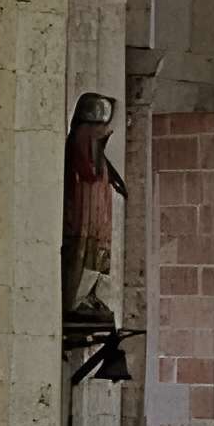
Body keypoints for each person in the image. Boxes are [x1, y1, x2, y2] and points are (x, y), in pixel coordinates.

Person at [61, 92, 126, 319]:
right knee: (82, 253)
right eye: (99, 127)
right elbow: (84, 175)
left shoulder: (97, 154)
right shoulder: (79, 147)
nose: (104, 132)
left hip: (97, 220)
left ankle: (91, 296)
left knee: (98, 256)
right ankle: (77, 299)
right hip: (82, 218)